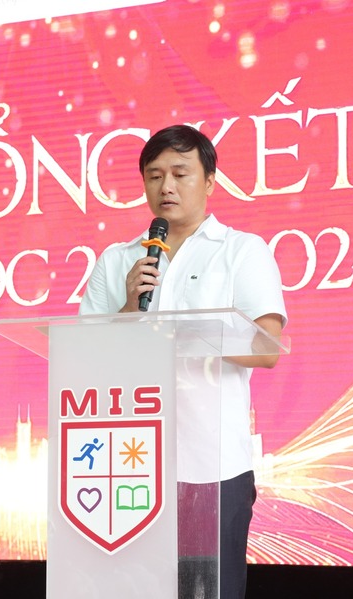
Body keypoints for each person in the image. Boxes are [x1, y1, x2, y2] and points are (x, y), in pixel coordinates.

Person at [78, 124, 287, 598]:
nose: (166, 186)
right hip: (126, 467)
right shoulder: (117, 260)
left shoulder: (241, 251)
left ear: (210, 181)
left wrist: (180, 331)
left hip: (212, 468)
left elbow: (267, 348)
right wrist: (129, 311)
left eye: (179, 173)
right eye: (154, 176)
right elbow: (84, 359)